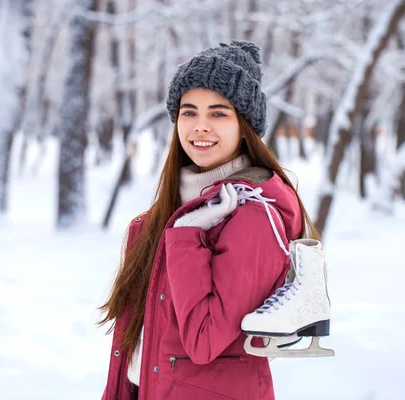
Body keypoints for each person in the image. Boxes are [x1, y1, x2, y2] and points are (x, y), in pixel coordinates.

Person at [99, 40, 320, 400]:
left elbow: (205, 340)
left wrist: (187, 238)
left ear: (244, 124)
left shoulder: (254, 214)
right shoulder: (171, 212)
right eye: (189, 112)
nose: (200, 127)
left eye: (218, 113)